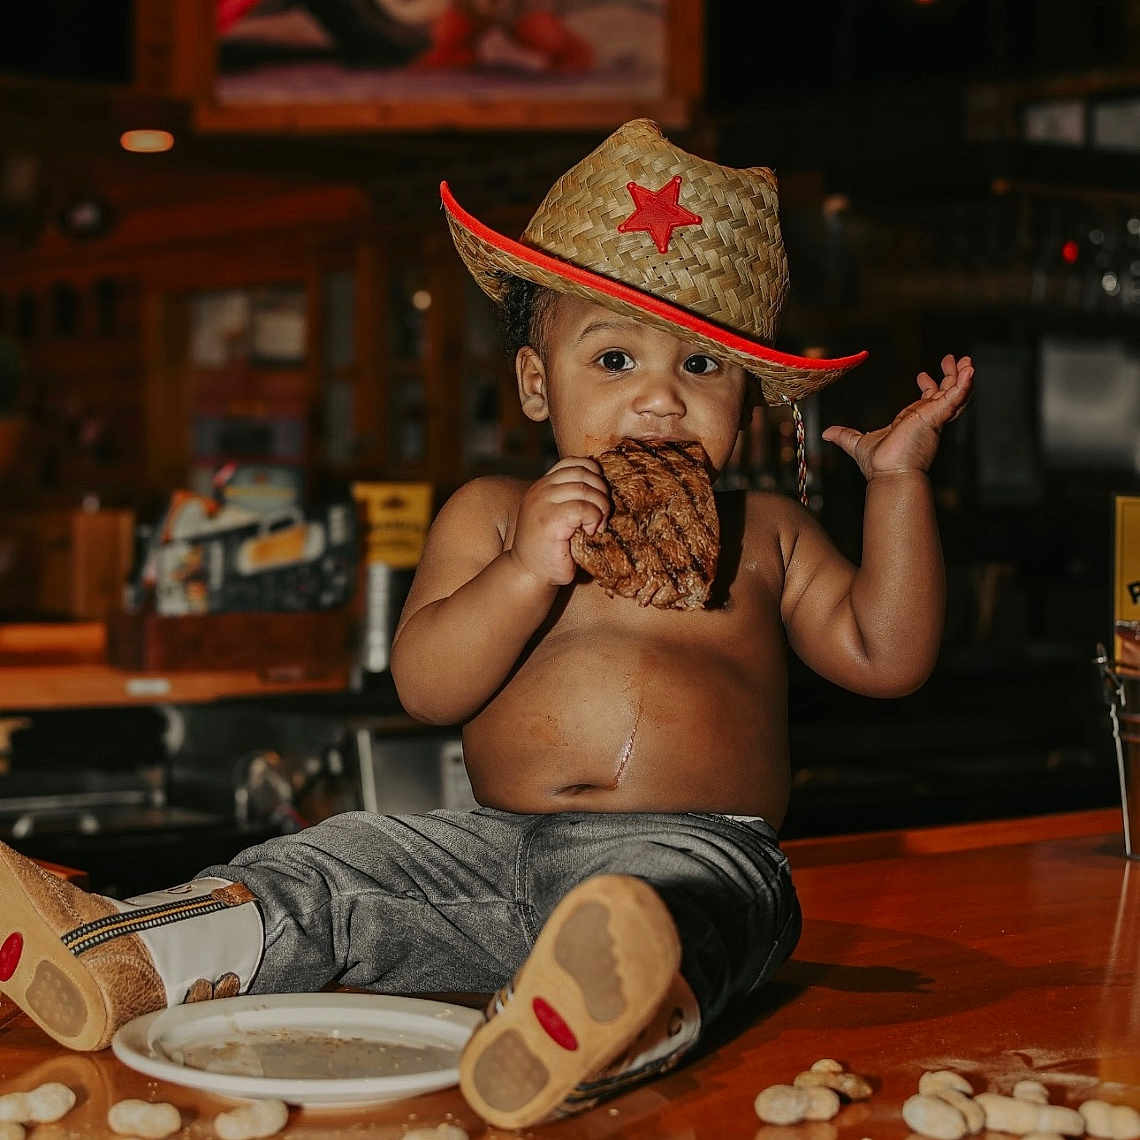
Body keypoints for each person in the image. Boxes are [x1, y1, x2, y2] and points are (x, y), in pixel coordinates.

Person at [0, 119, 972, 1130]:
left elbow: (887, 655)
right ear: (536, 384)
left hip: (691, 848)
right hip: (484, 853)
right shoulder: (496, 515)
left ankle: (593, 1026)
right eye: (615, 358)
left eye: (701, 366)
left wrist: (898, 485)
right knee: (334, 861)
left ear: (751, 399)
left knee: (691, 913)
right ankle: (131, 953)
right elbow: (428, 687)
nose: (658, 399)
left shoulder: (767, 533)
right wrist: (521, 573)